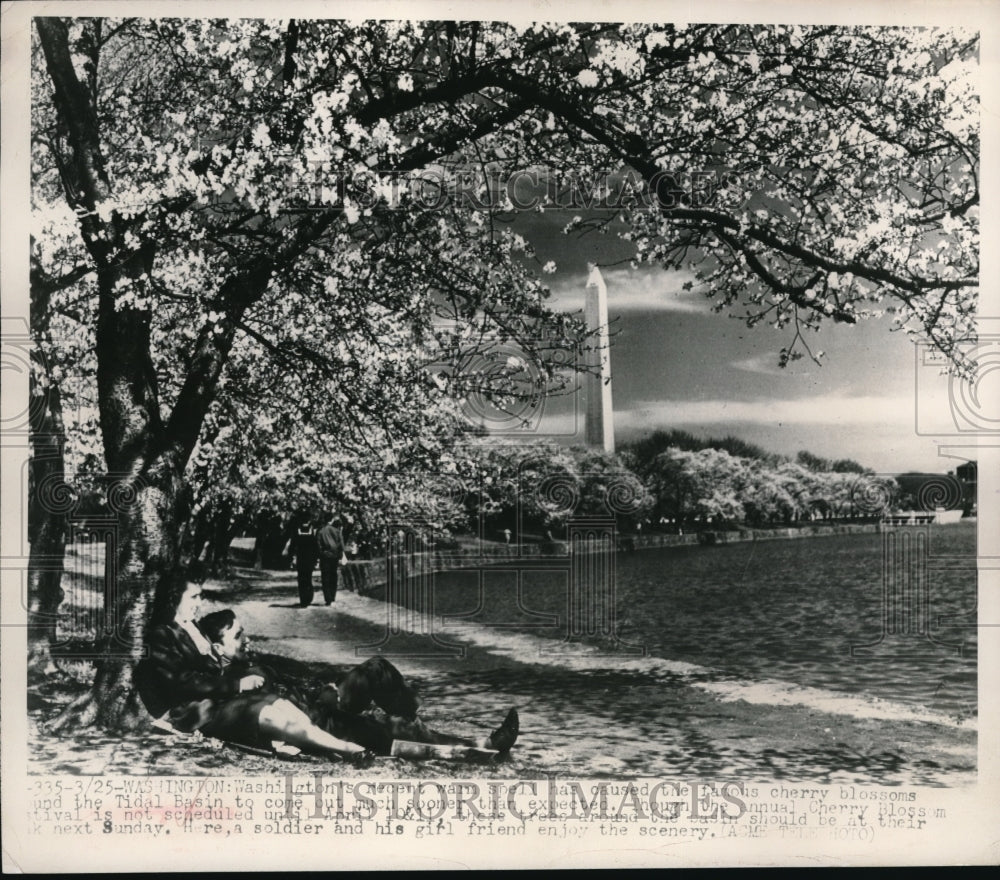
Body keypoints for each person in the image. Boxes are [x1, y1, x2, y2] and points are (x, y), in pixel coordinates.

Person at [196, 608, 519, 759]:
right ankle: (481, 744)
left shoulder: (252, 665)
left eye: (244, 631)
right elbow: (275, 713)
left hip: (323, 704)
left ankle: (471, 739)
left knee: (378, 674)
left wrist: (324, 689)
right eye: (237, 636)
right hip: (321, 720)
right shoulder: (235, 681)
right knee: (387, 725)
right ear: (218, 647)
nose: (247, 639)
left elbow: (292, 686)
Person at [135, 575, 371, 761]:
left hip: (220, 701)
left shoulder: (192, 627)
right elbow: (182, 682)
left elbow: (217, 664)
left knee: (279, 704)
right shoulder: (162, 634)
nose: (200, 603)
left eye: (200, 596)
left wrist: (233, 666)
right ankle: (345, 748)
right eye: (194, 597)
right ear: (175, 598)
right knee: (267, 712)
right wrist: (236, 684)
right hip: (198, 712)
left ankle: (332, 744)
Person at [284, 517, 320, 607]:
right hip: (310, 560)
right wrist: (316, 559)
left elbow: (292, 547)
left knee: (301, 580)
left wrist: (290, 558)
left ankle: (303, 600)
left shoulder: (297, 533)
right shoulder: (312, 533)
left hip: (301, 559)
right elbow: (316, 548)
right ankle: (308, 597)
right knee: (308, 578)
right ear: (308, 521)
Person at [316, 513, 345, 606]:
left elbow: (318, 545)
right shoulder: (336, 531)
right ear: (331, 520)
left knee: (325, 577)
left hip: (325, 556)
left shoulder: (320, 531)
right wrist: (340, 554)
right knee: (333, 575)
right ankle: (333, 596)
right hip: (334, 556)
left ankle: (327, 598)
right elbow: (341, 544)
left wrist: (321, 554)